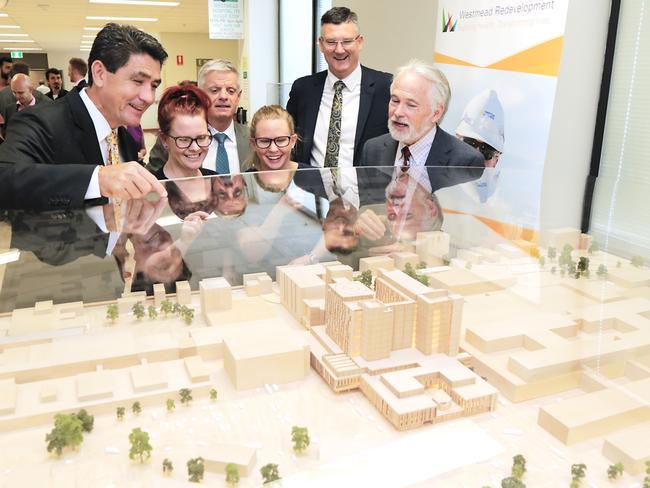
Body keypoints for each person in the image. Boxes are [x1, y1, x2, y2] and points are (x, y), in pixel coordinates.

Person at [0, 23, 167, 202]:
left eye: (154, 86)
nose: (149, 97)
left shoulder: (124, 138)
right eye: (138, 81)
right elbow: (6, 177)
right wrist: (97, 179)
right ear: (99, 73)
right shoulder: (39, 122)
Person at [358, 59, 484, 197]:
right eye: (395, 101)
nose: (398, 112)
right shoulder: (373, 149)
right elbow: (366, 205)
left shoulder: (464, 162)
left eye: (411, 105)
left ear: (436, 113)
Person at [286, 7, 391, 169]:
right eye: (331, 42)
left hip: (365, 190)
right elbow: (288, 141)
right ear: (320, 44)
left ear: (360, 42)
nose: (339, 50)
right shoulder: (303, 89)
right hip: (310, 189)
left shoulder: (385, 88)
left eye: (347, 41)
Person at [147, 59, 250, 175]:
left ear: (238, 96)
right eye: (215, 90)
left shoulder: (252, 139)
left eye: (231, 91)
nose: (223, 96)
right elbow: (150, 182)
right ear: (200, 94)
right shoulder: (172, 140)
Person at [153, 84, 216, 180]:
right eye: (184, 140)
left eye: (201, 138)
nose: (195, 148)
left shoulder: (218, 182)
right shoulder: (152, 191)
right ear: (164, 140)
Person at [455, 89, 505, 202]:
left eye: (486, 150)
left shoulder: (503, 201)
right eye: (468, 143)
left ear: (496, 159)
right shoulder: (430, 187)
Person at [245, 104, 298, 192]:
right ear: (253, 144)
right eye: (265, 141)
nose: (273, 149)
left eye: (281, 140)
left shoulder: (315, 177)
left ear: (293, 141)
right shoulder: (244, 182)